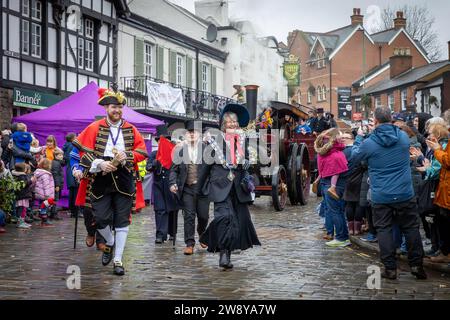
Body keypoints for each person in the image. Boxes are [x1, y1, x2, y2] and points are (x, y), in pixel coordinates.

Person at [72, 88, 148, 276]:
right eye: (114, 107)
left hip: (124, 177)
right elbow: (82, 151)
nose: (118, 110)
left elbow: (142, 152)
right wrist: (99, 163)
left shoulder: (131, 129)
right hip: (100, 177)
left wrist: (127, 156)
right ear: (106, 107)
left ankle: (118, 259)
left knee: (122, 220)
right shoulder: (94, 127)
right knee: (100, 217)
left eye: (120, 107)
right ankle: (110, 242)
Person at [351, 106, 426, 280]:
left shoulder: (369, 143)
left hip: (381, 194)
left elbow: (354, 159)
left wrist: (359, 138)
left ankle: (390, 269)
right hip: (404, 192)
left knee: (383, 230)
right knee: (411, 228)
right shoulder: (402, 137)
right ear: (391, 119)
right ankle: (416, 266)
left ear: (375, 121)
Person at [198, 103, 261, 269]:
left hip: (239, 187)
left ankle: (218, 246)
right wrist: (198, 190)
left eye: (235, 122)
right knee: (225, 218)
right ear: (223, 125)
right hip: (220, 187)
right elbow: (204, 168)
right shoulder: (213, 142)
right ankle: (223, 254)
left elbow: (249, 161)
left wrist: (248, 162)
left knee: (238, 222)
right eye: (229, 122)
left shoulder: (244, 140)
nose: (232, 124)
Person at [169, 120, 210, 255]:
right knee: (189, 216)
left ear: (199, 134)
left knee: (203, 216)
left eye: (195, 132)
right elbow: (174, 170)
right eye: (190, 132)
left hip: (203, 188)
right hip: (187, 188)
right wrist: (172, 183)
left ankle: (202, 234)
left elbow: (212, 169)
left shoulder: (207, 150)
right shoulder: (180, 150)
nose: (192, 134)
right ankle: (189, 243)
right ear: (186, 134)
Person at [148, 125, 179, 244]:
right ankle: (160, 234)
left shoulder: (173, 152)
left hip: (170, 183)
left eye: (164, 139)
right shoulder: (154, 154)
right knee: (160, 209)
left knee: (172, 209)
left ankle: (172, 232)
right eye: (160, 140)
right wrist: (154, 164)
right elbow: (148, 168)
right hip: (158, 184)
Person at [425, 125, 450, 264]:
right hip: (445, 189)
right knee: (443, 221)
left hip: (447, 190)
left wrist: (437, 150)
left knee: (444, 223)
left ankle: (446, 252)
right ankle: (444, 251)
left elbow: (447, 161)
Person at [314, 128, 348, 200]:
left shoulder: (324, 143)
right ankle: (333, 187)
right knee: (336, 172)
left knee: (322, 170)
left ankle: (317, 180)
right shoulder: (335, 150)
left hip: (324, 178)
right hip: (332, 182)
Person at [33, 158, 56, 227]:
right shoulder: (45, 175)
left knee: (42, 207)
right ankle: (44, 221)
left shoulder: (38, 172)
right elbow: (46, 186)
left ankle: (42, 221)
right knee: (44, 208)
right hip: (45, 195)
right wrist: (47, 195)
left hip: (40, 194)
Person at [12, 162, 34, 229]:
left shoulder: (15, 175)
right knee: (21, 209)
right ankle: (20, 222)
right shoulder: (22, 176)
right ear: (24, 170)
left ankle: (22, 221)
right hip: (22, 196)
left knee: (22, 208)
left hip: (21, 195)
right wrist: (31, 180)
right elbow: (24, 184)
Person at [64, 133, 80, 218]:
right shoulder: (72, 147)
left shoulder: (66, 146)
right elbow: (73, 160)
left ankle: (72, 210)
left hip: (69, 170)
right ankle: (75, 211)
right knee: (75, 191)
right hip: (73, 170)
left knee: (72, 192)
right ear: (73, 139)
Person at [50, 149, 65, 220]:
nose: (62, 156)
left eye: (62, 155)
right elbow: (55, 175)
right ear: (55, 156)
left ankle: (52, 213)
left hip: (57, 184)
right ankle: (54, 214)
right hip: (56, 184)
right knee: (55, 199)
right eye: (60, 155)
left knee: (55, 198)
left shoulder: (58, 163)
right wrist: (57, 185)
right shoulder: (56, 163)